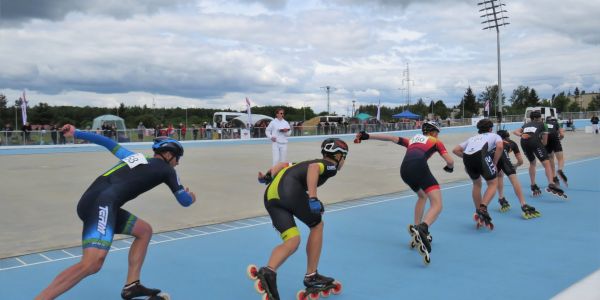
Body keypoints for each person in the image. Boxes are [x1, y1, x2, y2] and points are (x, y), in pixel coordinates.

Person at [36, 125, 196, 300]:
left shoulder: (136, 158)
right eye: (177, 158)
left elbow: (107, 142)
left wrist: (76, 133)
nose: (178, 162)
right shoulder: (168, 170)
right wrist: (191, 197)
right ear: (168, 155)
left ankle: (132, 286)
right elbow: (184, 201)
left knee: (144, 231)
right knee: (92, 264)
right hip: (102, 204)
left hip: (95, 202)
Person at [251, 138, 348, 300]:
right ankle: (311, 276)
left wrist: (267, 177)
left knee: (292, 241)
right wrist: (313, 198)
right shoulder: (330, 165)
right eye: (344, 157)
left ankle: (269, 271)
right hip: (289, 192)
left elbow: (281, 165)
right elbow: (313, 168)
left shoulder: (300, 163)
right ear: (339, 157)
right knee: (317, 225)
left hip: (271, 195)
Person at [355, 121, 453, 264]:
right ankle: (423, 228)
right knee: (437, 204)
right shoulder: (435, 141)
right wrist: (449, 167)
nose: (437, 135)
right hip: (419, 166)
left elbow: (391, 138)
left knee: (422, 196)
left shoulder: (412, 140)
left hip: (404, 170)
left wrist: (368, 136)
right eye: (437, 133)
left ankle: (416, 228)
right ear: (432, 132)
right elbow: (450, 160)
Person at [452, 119, 503, 230]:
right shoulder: (494, 135)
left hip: (467, 158)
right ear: (490, 128)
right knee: (493, 183)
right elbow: (499, 147)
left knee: (477, 184)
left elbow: (455, 150)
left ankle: (478, 211)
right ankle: (483, 208)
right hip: (481, 156)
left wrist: (466, 157)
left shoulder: (472, 138)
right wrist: (494, 162)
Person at [512, 111, 567, 198]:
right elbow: (545, 142)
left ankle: (533, 185)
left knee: (532, 163)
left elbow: (515, 131)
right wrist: (541, 147)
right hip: (535, 142)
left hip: (524, 142)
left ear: (531, 118)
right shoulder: (543, 124)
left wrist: (522, 135)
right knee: (546, 163)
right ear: (538, 118)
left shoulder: (526, 124)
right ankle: (551, 183)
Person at [495, 130, 541, 219]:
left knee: (500, 175)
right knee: (514, 179)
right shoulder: (513, 143)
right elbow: (520, 161)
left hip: (493, 156)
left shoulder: (496, 141)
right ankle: (523, 204)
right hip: (503, 157)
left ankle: (501, 198)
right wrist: (515, 166)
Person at [545, 116, 568, 187]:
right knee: (560, 159)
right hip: (555, 138)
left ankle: (554, 177)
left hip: (547, 139)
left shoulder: (544, 124)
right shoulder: (556, 123)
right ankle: (560, 170)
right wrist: (559, 139)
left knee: (551, 159)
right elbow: (562, 134)